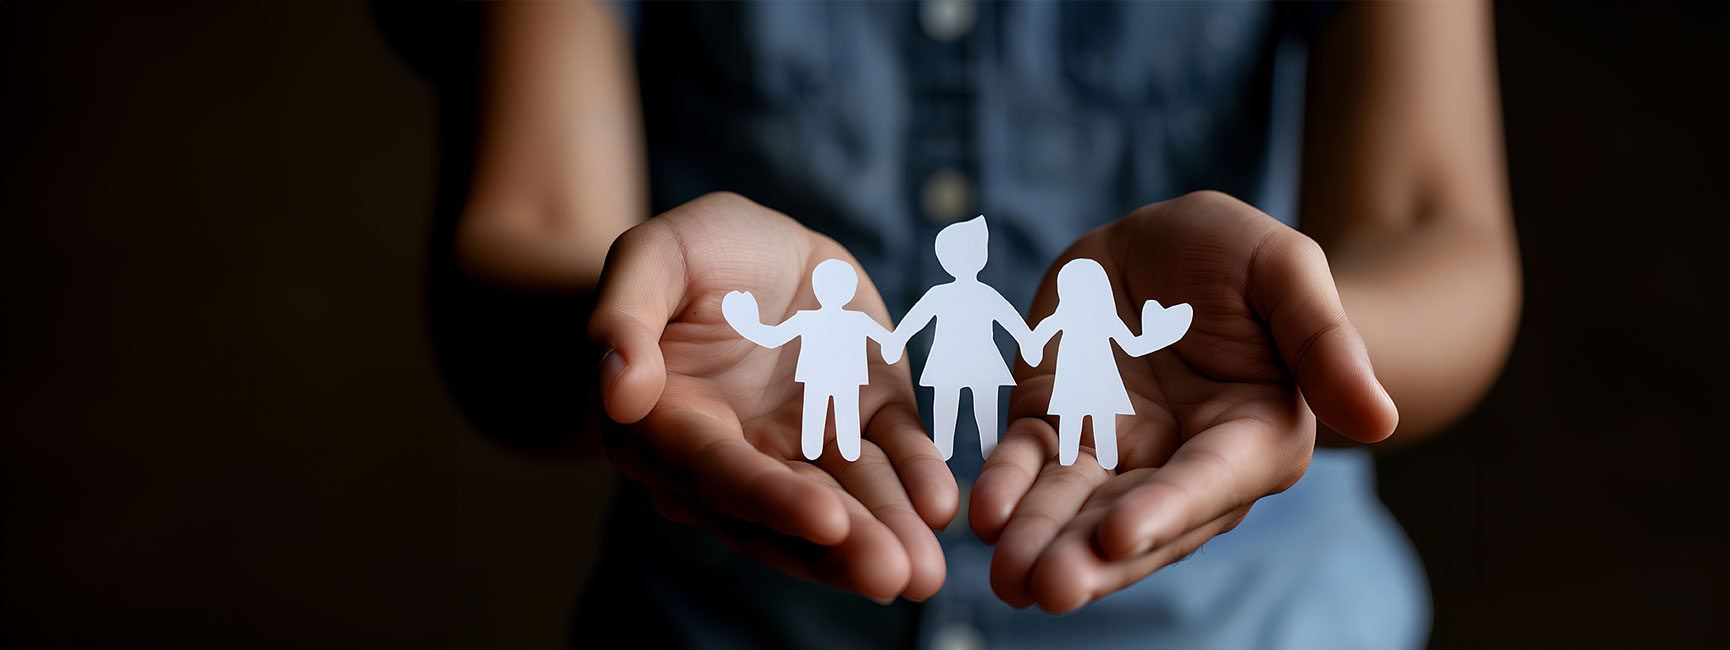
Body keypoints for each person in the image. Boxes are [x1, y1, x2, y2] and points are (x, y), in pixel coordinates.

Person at [434, 1, 1520, 647]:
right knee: (934, 406)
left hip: (1253, 628)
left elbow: (1436, 232)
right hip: (723, 626)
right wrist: (642, 321)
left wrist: (1292, 334)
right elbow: (522, 241)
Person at [722, 259, 903, 462]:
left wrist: (750, 324)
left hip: (832, 377)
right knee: (832, 415)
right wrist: (748, 325)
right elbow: (890, 341)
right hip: (833, 377)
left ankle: (831, 448)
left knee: (834, 415)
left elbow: (772, 337)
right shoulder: (852, 319)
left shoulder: (831, 319)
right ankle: (826, 448)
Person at [887, 216, 1034, 462]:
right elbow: (915, 320)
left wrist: (1028, 341)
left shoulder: (979, 294)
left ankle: (985, 446)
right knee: (950, 402)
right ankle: (945, 446)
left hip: (971, 361)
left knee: (977, 403)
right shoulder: (949, 295)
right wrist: (896, 340)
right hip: (955, 361)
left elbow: (1011, 320)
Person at [1020, 258, 1191, 470]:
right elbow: (1037, 338)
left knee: (1099, 416)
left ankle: (1099, 457)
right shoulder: (1067, 317)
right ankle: (1069, 454)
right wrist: (1031, 347)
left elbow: (1133, 346)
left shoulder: (1105, 319)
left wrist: (1159, 335)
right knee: (1075, 415)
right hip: (1074, 380)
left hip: (1096, 380)